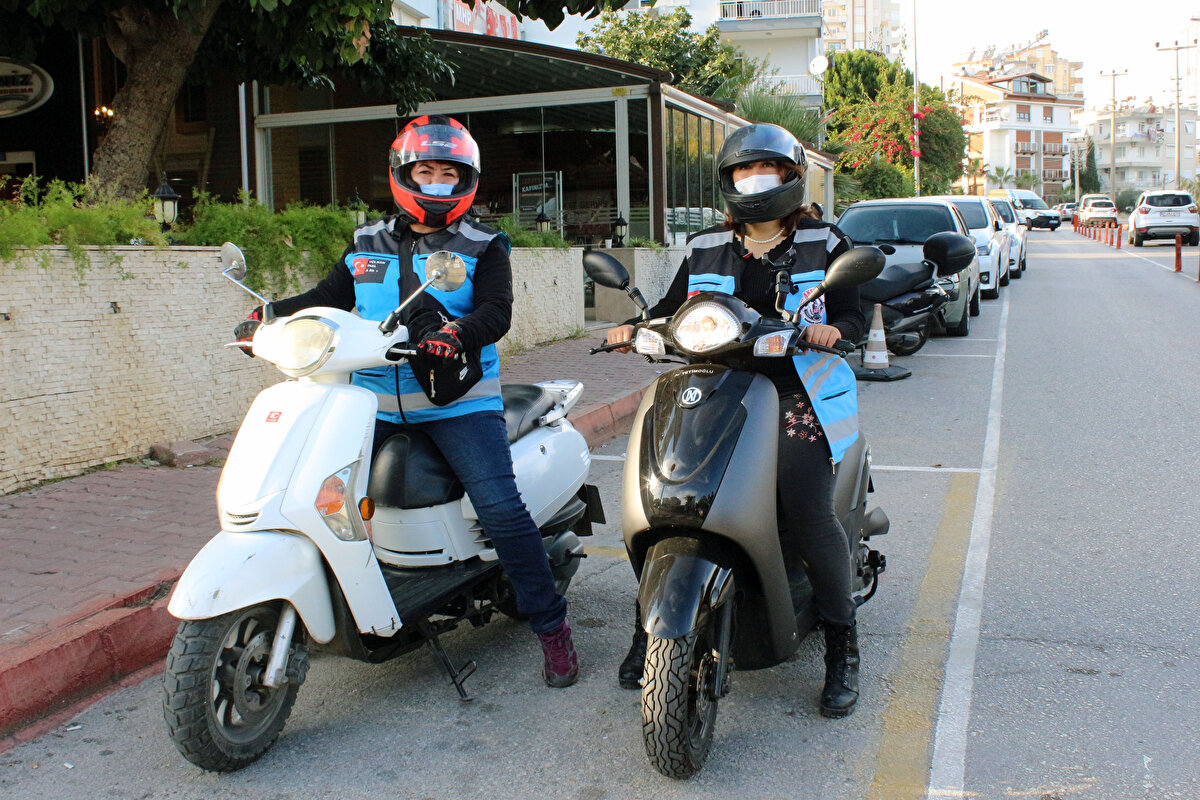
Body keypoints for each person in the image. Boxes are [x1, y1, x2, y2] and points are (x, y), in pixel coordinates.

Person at [234, 115, 579, 688]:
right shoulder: (366, 241)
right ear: (403, 174)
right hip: (367, 401)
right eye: (426, 170)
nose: (438, 182)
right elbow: (328, 299)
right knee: (309, 490)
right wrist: (270, 315)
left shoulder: (482, 244)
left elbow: (496, 312)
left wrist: (455, 335)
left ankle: (551, 627)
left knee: (499, 509)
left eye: (450, 173)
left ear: (466, 179)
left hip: (458, 402)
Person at [604, 123, 866, 717]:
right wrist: (631, 330)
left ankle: (841, 643)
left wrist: (835, 331)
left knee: (805, 502)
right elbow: (672, 312)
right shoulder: (703, 248)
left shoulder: (825, 240)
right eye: (744, 171)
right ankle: (649, 630)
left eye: (767, 170)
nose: (756, 181)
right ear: (728, 183)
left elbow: (852, 313)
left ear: (791, 177)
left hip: (798, 387)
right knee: (660, 498)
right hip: (713, 384)